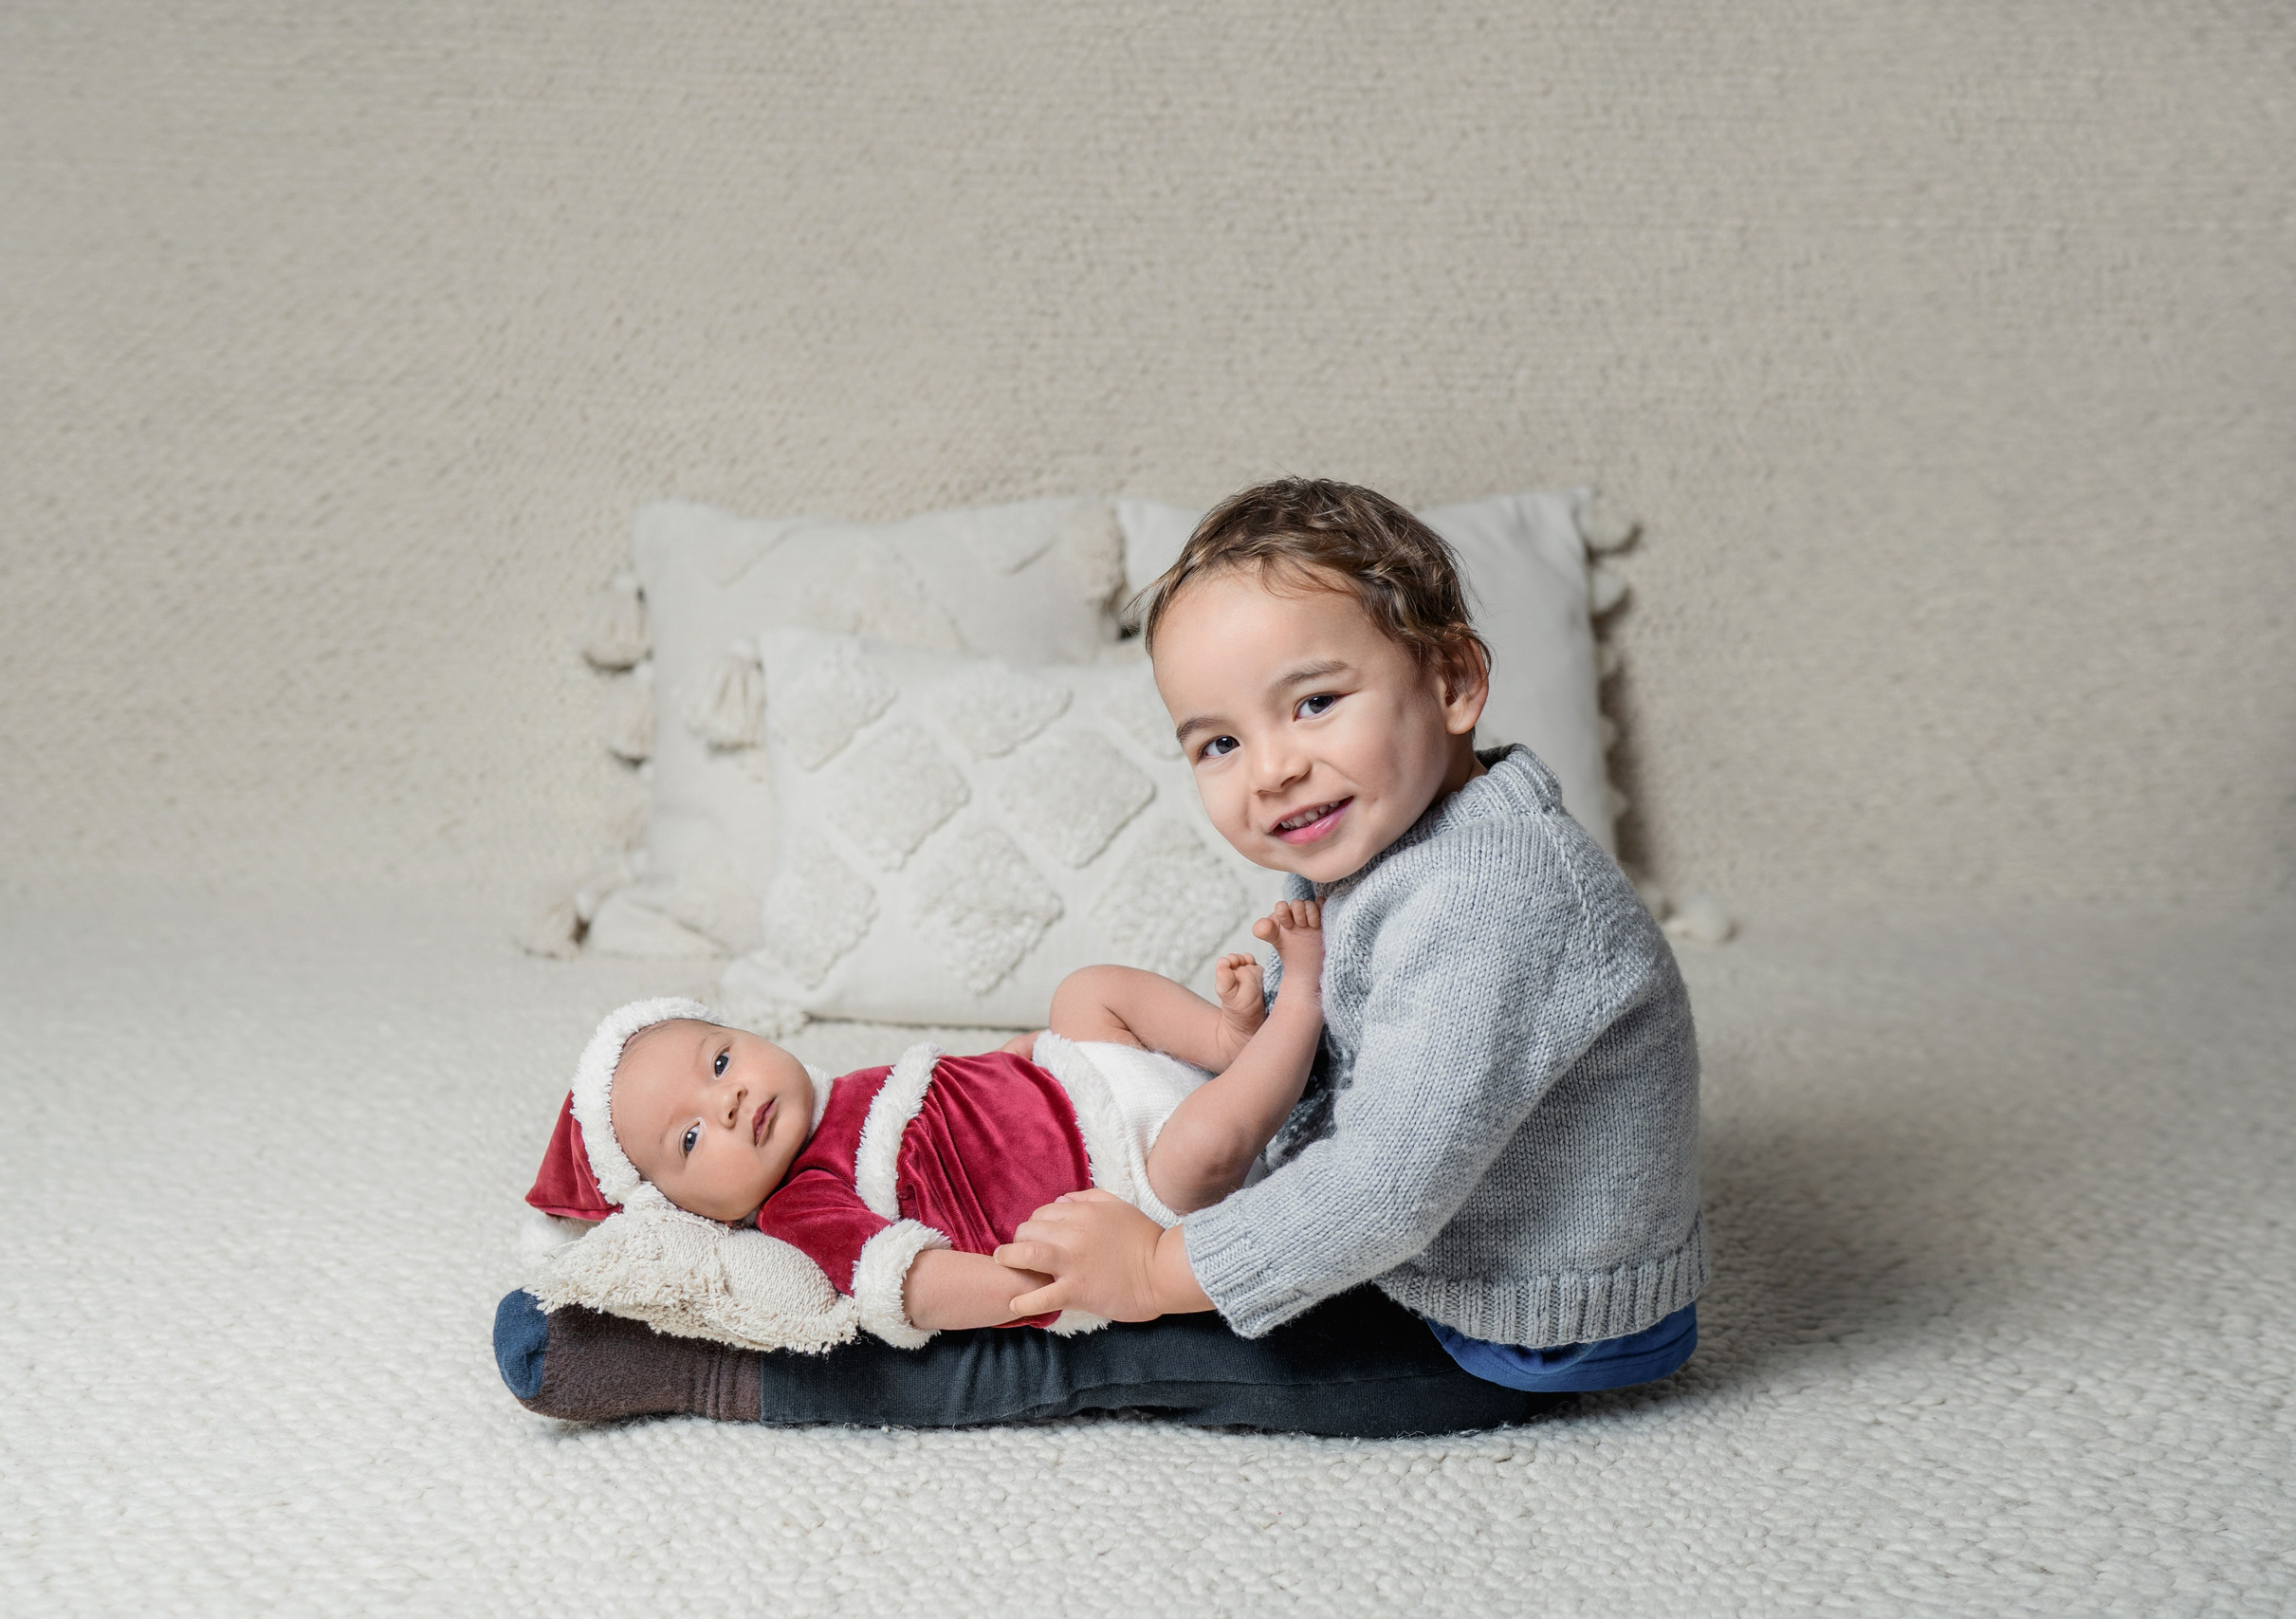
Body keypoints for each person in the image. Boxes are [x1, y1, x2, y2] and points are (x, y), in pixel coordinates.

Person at [499, 476, 1703, 1432]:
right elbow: (1377, 1038)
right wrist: (1275, 1012)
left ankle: (728, 1376)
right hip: (1414, 1234)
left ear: (1449, 679)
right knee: (1092, 1243)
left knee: (1084, 1340)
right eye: (1218, 741)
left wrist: (1155, 1270)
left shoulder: (1494, 900)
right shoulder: (1387, 833)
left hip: (1502, 1326)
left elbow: (1387, 1185)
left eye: (1314, 703)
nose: (1271, 767)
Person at [520, 898, 1329, 1344]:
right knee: (1203, 1146)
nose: (726, 1100)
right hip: (1126, 1184)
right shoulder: (803, 1204)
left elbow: (964, 1086)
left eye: (721, 1060)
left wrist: (1025, 1053)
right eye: (691, 1139)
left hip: (1078, 1078)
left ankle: (1225, 1040)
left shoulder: (842, 1093)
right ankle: (1298, 1010)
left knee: (1085, 991)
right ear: (691, 1211)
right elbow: (911, 1284)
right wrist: (1044, 1288)